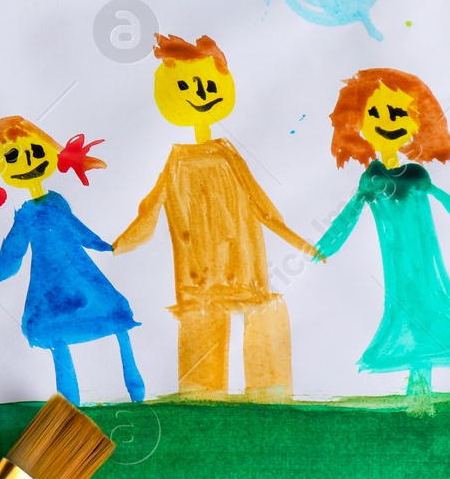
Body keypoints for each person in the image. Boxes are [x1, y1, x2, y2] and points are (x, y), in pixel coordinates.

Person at [114, 35, 318, 400]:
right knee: (201, 327)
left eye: (209, 84)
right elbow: (153, 208)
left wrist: (300, 242)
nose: (201, 93)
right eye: (186, 86)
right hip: (196, 274)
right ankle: (200, 392)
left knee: (261, 315)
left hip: (243, 265)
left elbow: (261, 205)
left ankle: (270, 392)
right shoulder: (176, 161)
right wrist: (118, 244)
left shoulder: (227, 154)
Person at [314, 68, 450, 400]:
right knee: (411, 329)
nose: (387, 120)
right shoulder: (372, 177)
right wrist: (325, 246)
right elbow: (349, 213)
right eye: (375, 113)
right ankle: (420, 401)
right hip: (398, 275)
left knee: (448, 322)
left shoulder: (416, 173)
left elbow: (444, 200)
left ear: (415, 121)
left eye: (397, 112)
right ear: (358, 124)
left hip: (426, 267)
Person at [0, 116, 145, 403]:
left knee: (115, 317)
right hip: (50, 288)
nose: (28, 161)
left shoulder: (57, 201)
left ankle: (135, 388)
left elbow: (75, 227)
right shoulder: (26, 214)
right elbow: (15, 247)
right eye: (12, 156)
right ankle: (71, 403)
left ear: (50, 152)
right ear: (0, 167)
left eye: (36, 151)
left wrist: (100, 244)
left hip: (81, 275)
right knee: (60, 336)